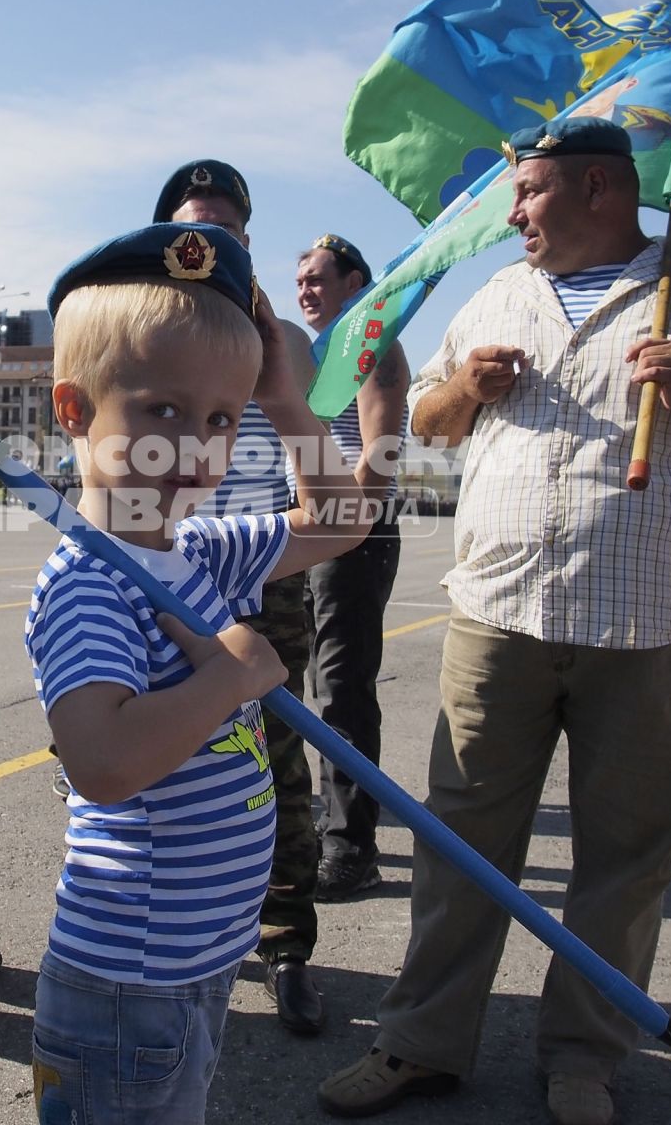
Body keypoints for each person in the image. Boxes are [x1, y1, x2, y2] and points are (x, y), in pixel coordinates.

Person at [319, 118, 671, 1125]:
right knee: (461, 844)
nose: (514, 214)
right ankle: (420, 1040)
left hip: (648, 627)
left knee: (625, 857)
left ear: (600, 188)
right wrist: (466, 385)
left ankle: (585, 1054)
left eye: (530, 193)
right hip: (497, 614)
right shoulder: (499, 294)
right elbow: (424, 419)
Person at [26, 222, 368, 1123]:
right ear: (75, 411)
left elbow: (341, 521)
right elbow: (100, 763)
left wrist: (285, 400)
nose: (194, 446)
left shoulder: (199, 549)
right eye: (161, 411)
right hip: (129, 979)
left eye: (221, 420)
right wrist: (230, 676)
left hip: (198, 955)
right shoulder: (89, 582)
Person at [150, 159, 328, 1034]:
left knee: (279, 767)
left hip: (263, 566)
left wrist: (274, 381)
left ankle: (288, 943)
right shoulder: (140, 331)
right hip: (162, 568)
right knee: (169, 756)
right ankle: (184, 940)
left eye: (231, 230)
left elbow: (325, 470)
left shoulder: (283, 341)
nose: (216, 242)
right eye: (198, 229)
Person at [291, 233, 409, 902]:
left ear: (355, 280)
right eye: (300, 280)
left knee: (341, 694)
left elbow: (380, 451)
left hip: (350, 538)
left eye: (316, 278)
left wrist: (338, 532)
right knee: (292, 682)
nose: (305, 289)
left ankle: (352, 849)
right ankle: (314, 822)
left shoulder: (372, 346)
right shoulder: (321, 353)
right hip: (311, 531)